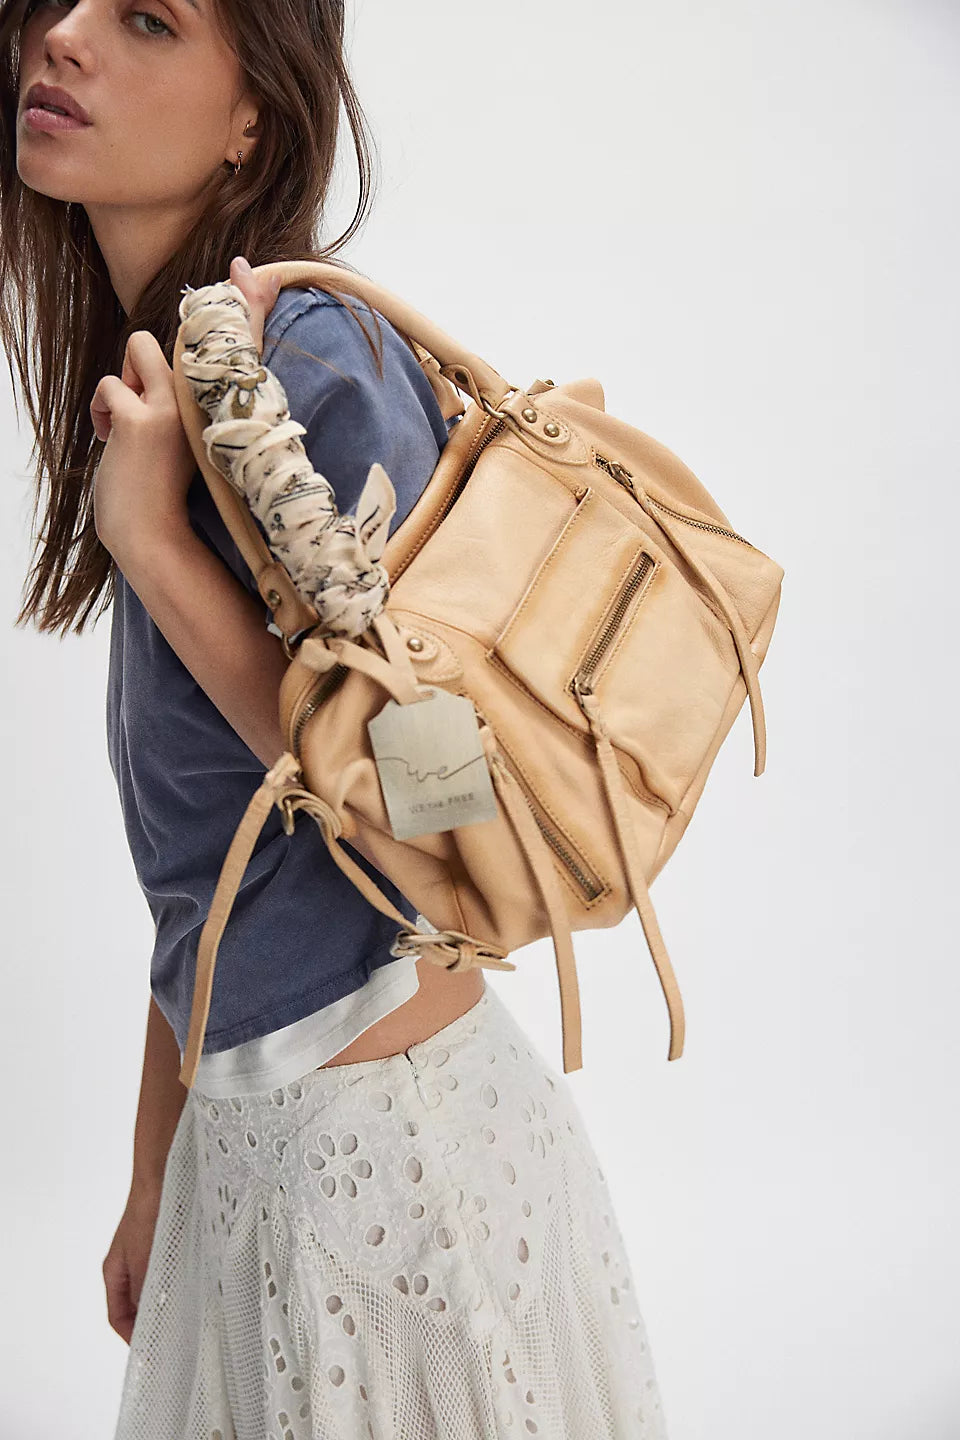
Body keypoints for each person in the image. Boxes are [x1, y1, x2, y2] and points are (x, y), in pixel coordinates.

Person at [4, 0, 670, 1434]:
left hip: (395, 1189)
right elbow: (214, 873)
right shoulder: (171, 381)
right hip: (252, 1172)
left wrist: (161, 550)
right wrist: (152, 1176)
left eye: (145, 21)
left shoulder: (302, 369)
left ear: (257, 119)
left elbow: (430, 807)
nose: (60, 39)